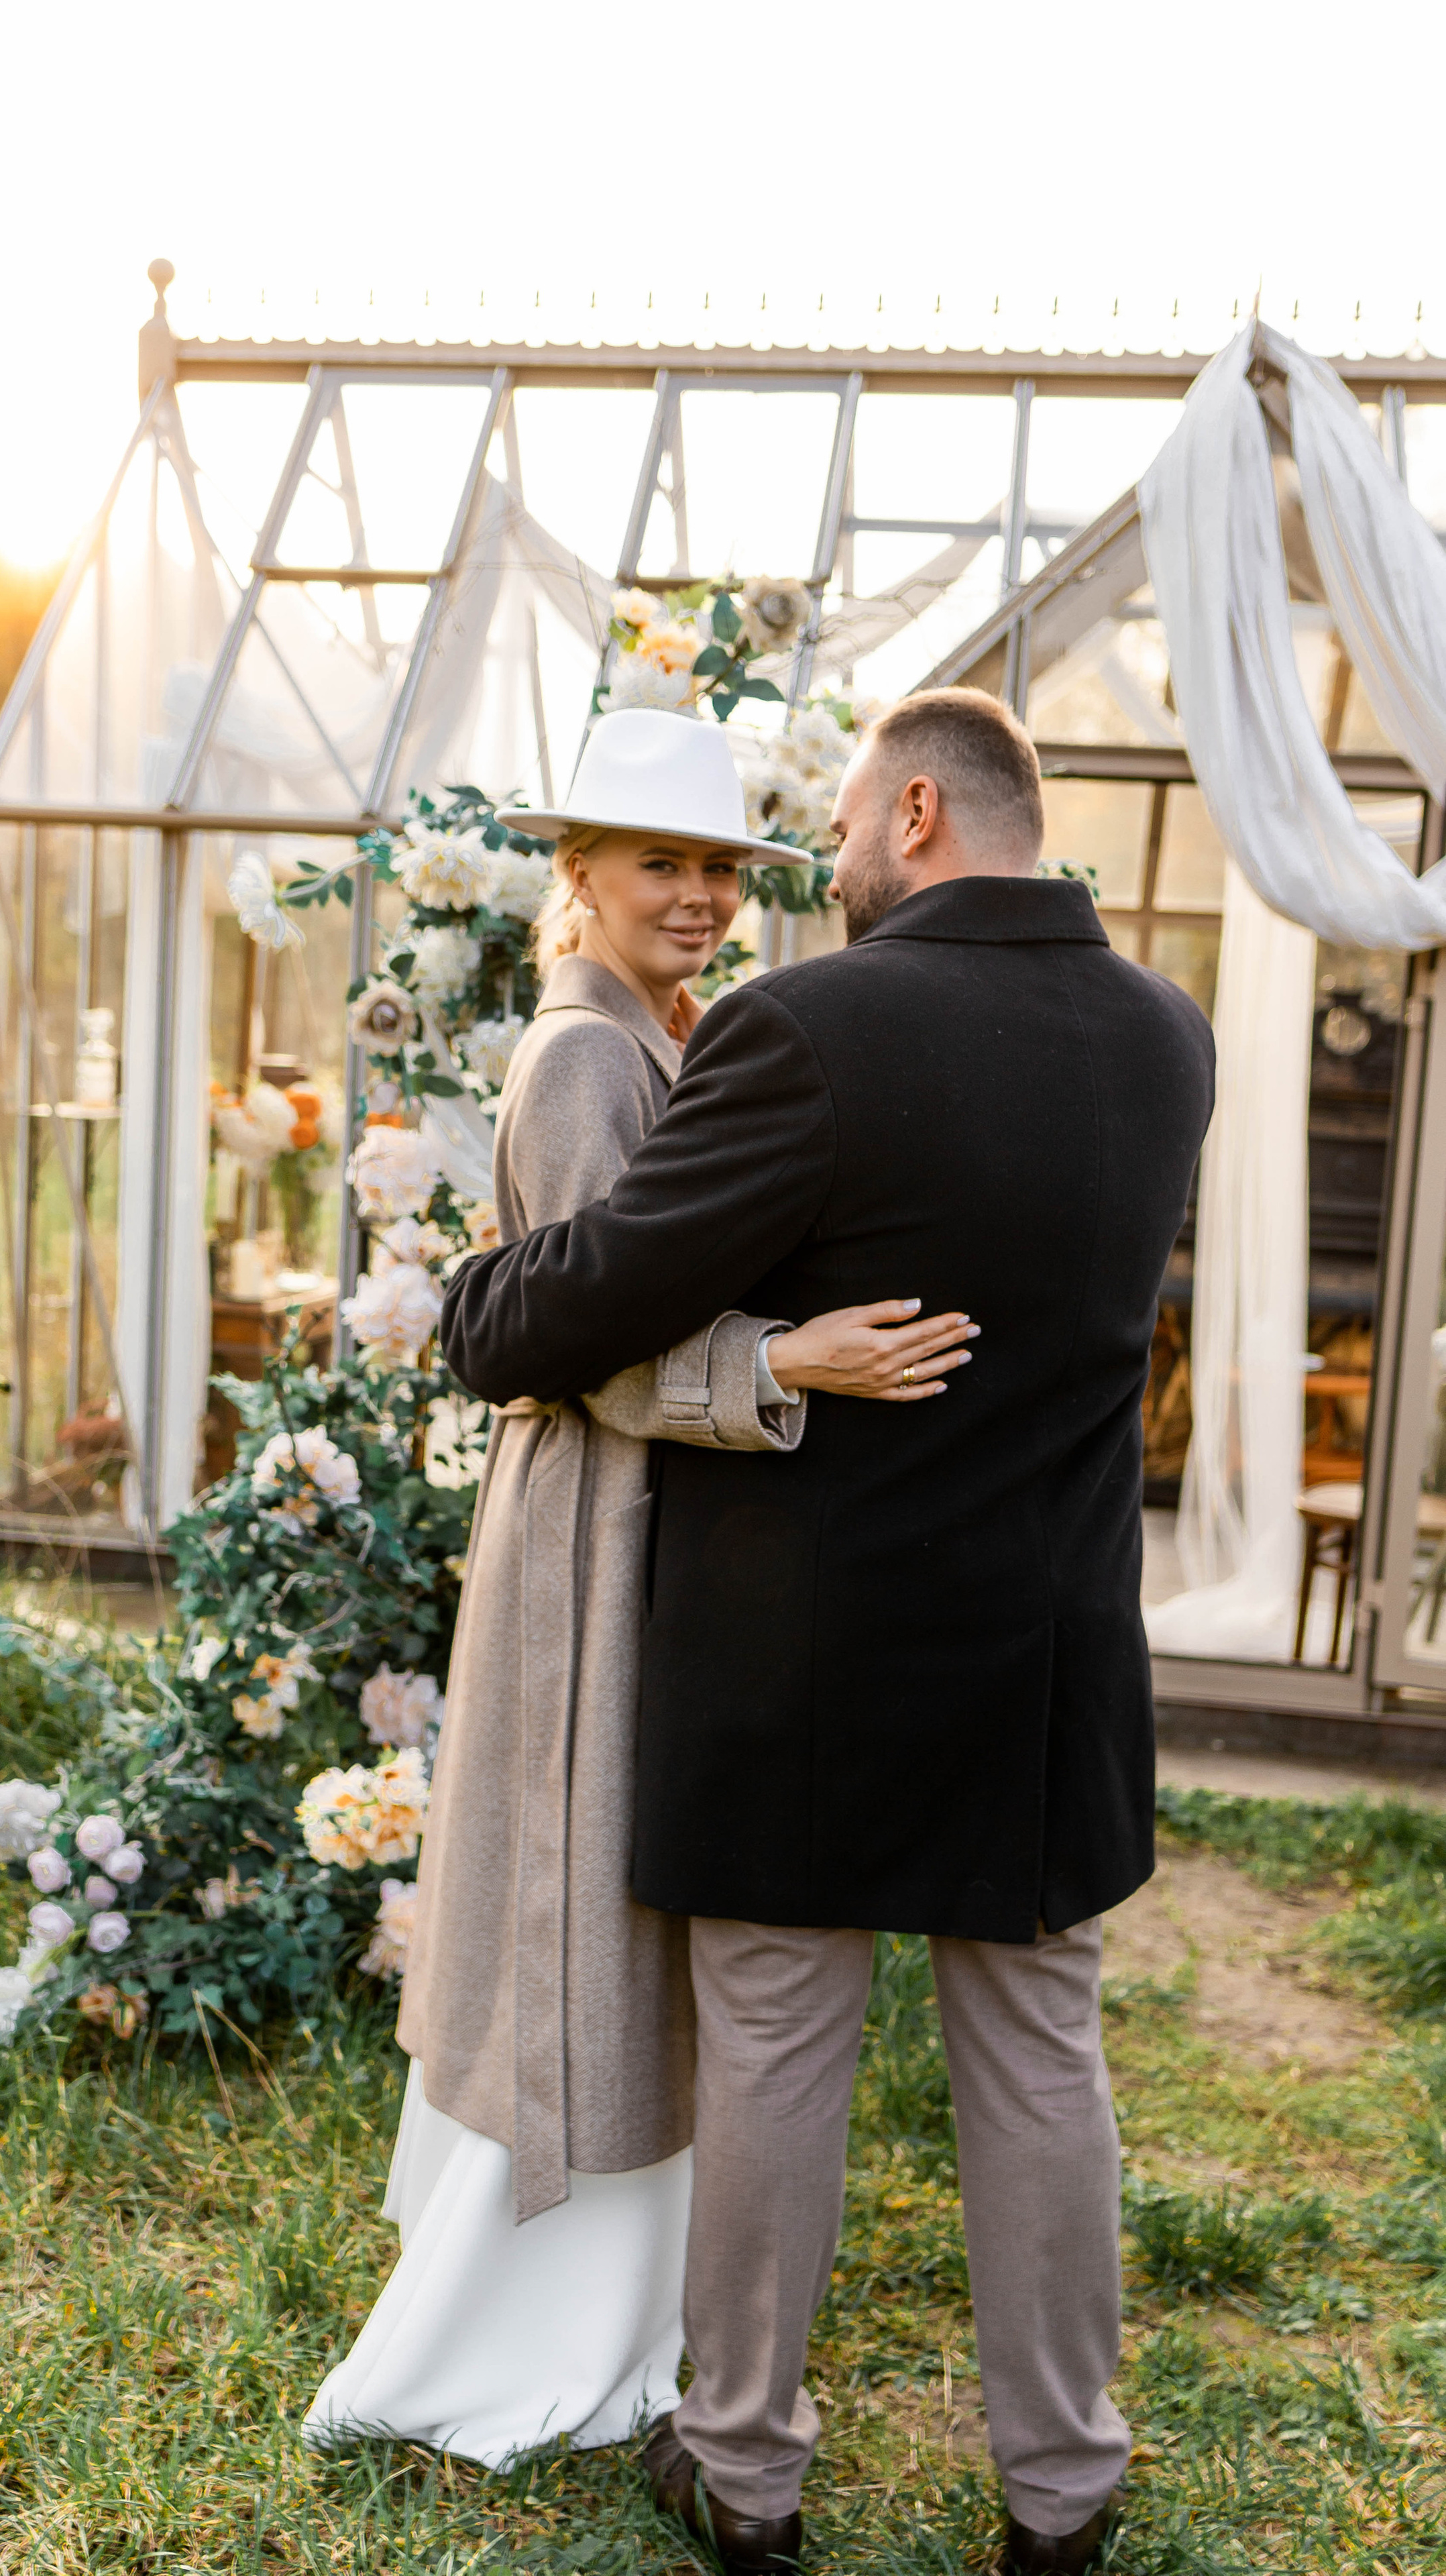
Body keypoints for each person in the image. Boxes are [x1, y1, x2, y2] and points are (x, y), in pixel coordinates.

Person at [443, 688, 1217, 2576]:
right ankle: (1066, 2490)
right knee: (1040, 2057)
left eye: (854, 823)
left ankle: (748, 2474)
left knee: (781, 2048)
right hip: (1043, 1661)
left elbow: (587, 1302)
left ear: (924, 813)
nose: (837, 859)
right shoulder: (1167, 1041)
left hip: (798, 1664)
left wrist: (475, 1302)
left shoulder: (810, 1028)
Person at [304, 709, 975, 2467]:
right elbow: (590, 1350)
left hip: (654, 1519)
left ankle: (620, 2301)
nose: (694, 897)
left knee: (620, 1906)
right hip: (594, 1527)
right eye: (657, 865)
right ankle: (528, 2325)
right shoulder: (583, 1059)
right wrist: (790, 1362)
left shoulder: (666, 1034)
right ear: (576, 877)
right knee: (581, 1900)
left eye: (717, 870)